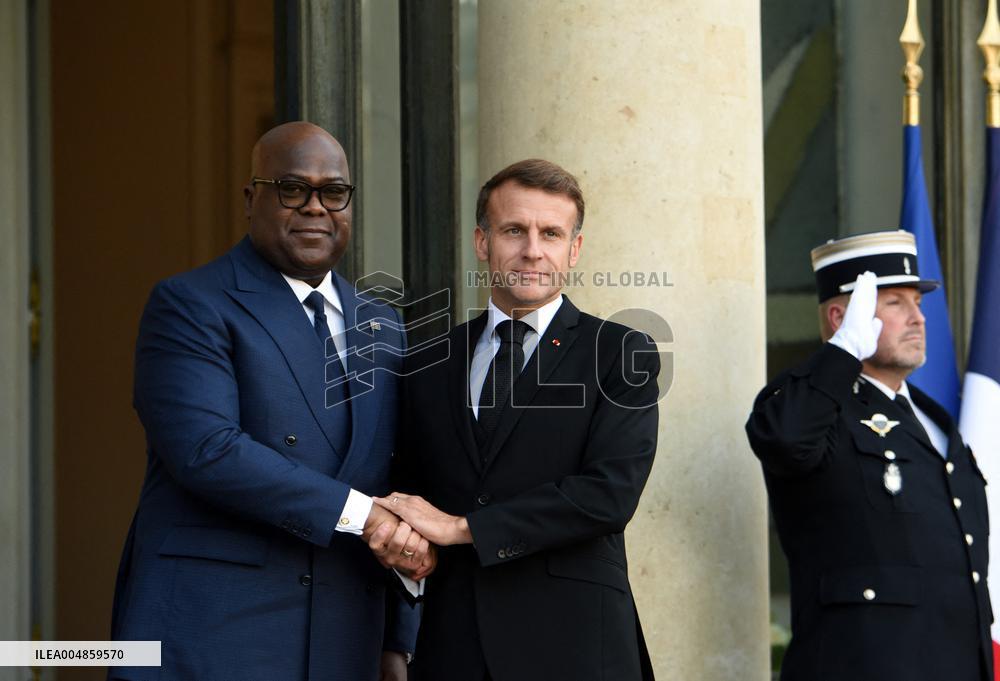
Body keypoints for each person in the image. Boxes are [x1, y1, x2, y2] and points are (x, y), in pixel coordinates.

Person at [109, 122, 429, 681]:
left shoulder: (383, 324)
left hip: (346, 633)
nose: (315, 207)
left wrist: (398, 640)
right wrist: (361, 515)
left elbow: (397, 476)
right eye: (292, 188)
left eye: (333, 192)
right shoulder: (190, 304)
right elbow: (207, 450)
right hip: (215, 631)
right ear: (250, 199)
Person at [376, 159, 660, 681]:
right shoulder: (428, 361)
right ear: (482, 242)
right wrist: (407, 548)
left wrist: (463, 529)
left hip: (576, 646)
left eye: (551, 233)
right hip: (453, 644)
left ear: (574, 249)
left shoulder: (622, 352)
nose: (532, 250)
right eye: (514, 230)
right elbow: (409, 494)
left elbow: (609, 494)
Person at [745, 230, 993, 681]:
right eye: (895, 303)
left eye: (917, 302)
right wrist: (842, 353)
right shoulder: (813, 407)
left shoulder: (934, 419)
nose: (918, 318)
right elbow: (784, 439)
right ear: (841, 317)